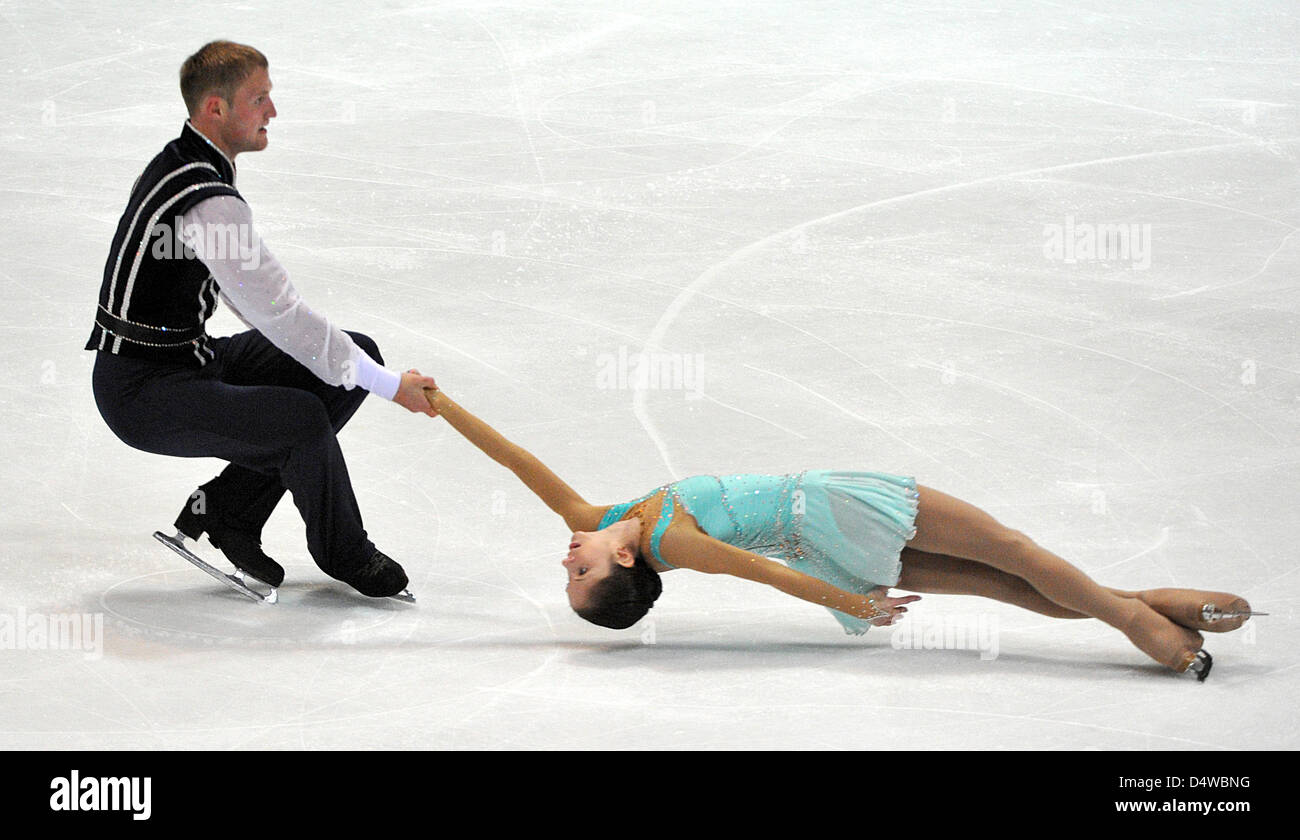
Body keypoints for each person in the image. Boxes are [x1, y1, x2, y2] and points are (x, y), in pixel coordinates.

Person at [420, 386, 1259, 680]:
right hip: (836, 514)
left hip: (831, 540)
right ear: (629, 561)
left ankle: (1151, 605)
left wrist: (440, 402)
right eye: (578, 575)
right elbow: (770, 580)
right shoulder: (675, 541)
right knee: (1010, 553)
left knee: (1010, 583)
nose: (565, 557)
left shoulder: (602, 519)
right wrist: (850, 598)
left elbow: (517, 463)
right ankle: (1149, 628)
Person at [86, 41, 439, 598]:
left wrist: (360, 367)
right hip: (142, 390)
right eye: (259, 98)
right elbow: (277, 313)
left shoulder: (182, 161)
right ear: (215, 110)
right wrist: (390, 386)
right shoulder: (207, 199)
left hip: (184, 360)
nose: (272, 111)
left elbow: (247, 298)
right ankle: (345, 552)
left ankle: (228, 511)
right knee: (300, 418)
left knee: (353, 351)